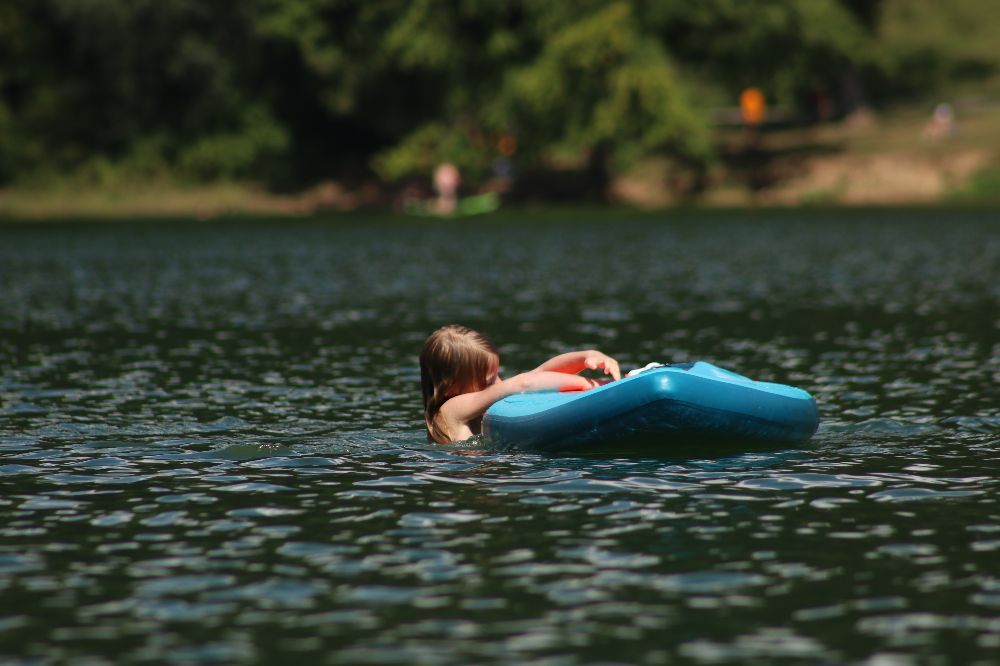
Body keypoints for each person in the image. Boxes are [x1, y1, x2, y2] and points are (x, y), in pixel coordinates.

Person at [420, 325, 620, 444]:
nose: (499, 382)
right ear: (452, 387)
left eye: (497, 375)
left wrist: (586, 357)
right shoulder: (449, 411)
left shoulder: (479, 400)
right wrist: (595, 385)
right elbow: (524, 382)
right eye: (489, 380)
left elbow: (539, 375)